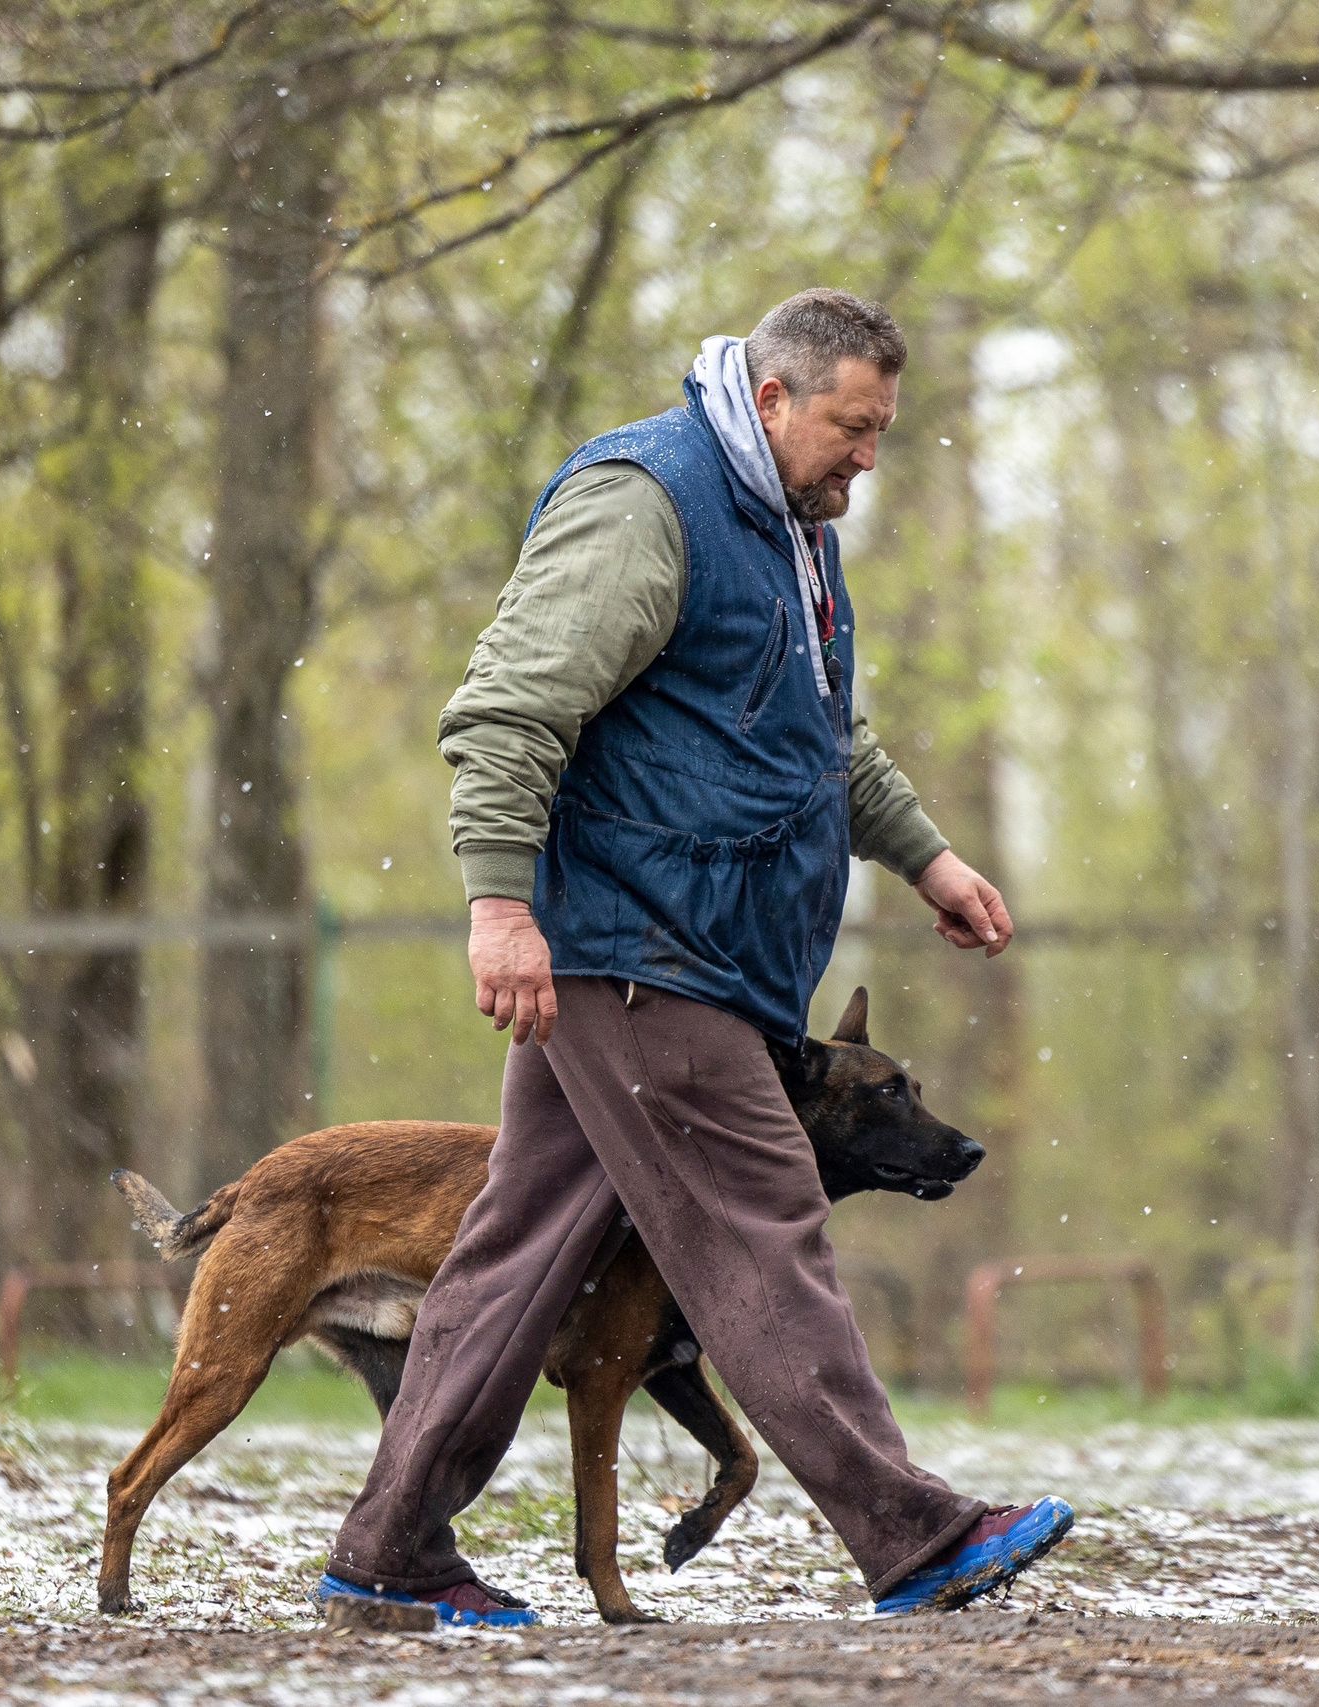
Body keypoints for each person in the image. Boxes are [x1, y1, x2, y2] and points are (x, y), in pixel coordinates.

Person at [314, 289, 1073, 1628]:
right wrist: (501, 907)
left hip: (693, 959)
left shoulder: (792, 532)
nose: (869, 458)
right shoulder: (647, 503)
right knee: (760, 1235)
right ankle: (915, 1535)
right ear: (773, 399)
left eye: (884, 431)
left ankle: (387, 1556)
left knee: (513, 1262)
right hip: (641, 952)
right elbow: (507, 708)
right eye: (853, 426)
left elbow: (820, 743)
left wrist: (929, 859)